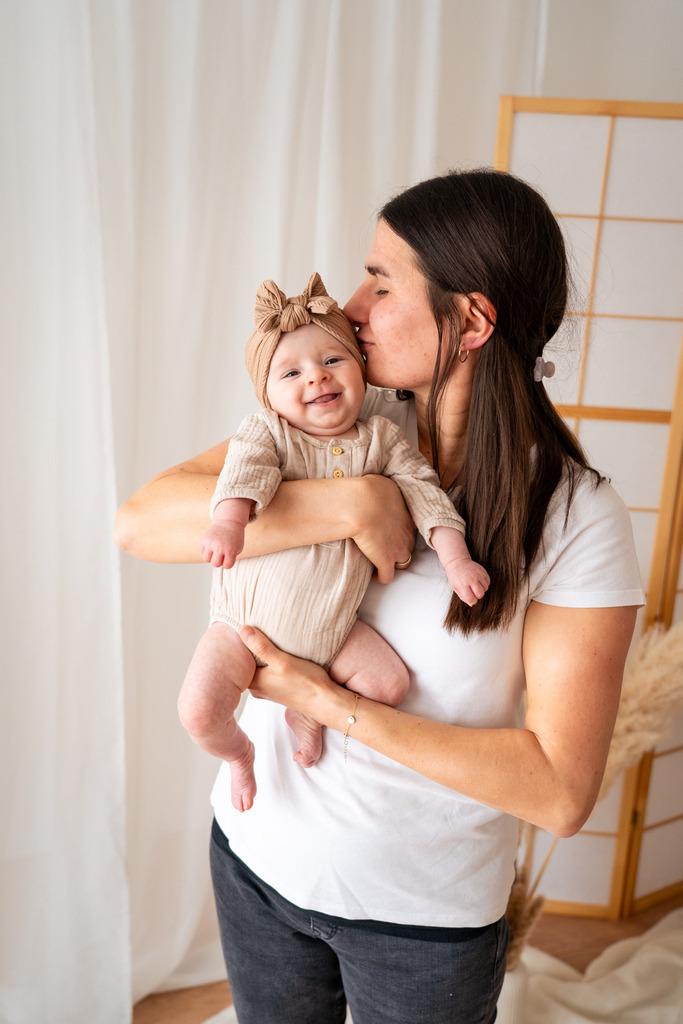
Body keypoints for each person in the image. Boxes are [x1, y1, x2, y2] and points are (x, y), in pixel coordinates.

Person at [114, 168, 644, 1024]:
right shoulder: (342, 423)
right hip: (257, 862)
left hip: (420, 927)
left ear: (469, 321)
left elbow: (558, 791)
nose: (351, 306)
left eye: (381, 281)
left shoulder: (576, 518)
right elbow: (140, 523)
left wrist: (322, 700)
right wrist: (349, 501)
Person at [179, 271, 488, 813]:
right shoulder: (269, 433)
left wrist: (455, 555)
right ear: (269, 395)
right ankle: (238, 756)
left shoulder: (383, 438)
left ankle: (310, 707)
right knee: (199, 713)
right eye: (291, 372)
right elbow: (243, 474)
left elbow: (425, 492)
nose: (316, 379)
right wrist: (230, 523)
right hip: (242, 628)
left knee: (389, 684)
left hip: (332, 629)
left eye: (332, 361)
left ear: (360, 371)